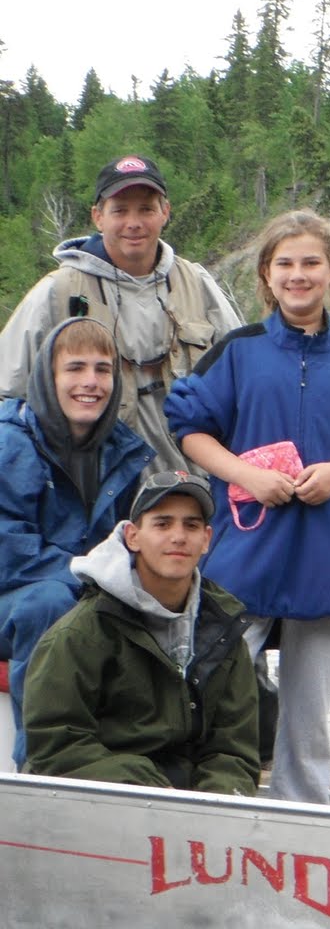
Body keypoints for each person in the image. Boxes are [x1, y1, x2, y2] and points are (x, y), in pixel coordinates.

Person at [165, 210, 330, 804]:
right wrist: (247, 476)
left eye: (312, 262)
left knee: (309, 719)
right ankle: (204, 802)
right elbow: (189, 427)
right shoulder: (238, 352)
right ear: (266, 274)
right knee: (210, 689)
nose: (298, 275)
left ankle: (304, 812)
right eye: (285, 263)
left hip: (328, 554)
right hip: (245, 550)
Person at [0, 154, 241, 474]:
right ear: (98, 217)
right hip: (96, 490)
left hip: (197, 487)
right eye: (120, 210)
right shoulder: (57, 292)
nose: (134, 222)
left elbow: (246, 378)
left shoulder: (197, 283)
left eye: (146, 209)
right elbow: (6, 395)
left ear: (165, 212)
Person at [23, 470, 259, 794]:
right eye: (162, 524)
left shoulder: (225, 630)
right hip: (104, 798)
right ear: (132, 536)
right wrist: (151, 793)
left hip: (194, 805)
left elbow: (234, 749)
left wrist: (211, 804)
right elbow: (55, 745)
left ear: (206, 539)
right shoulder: (80, 633)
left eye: (191, 525)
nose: (178, 536)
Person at [0, 318, 152, 763]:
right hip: (18, 601)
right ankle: (39, 765)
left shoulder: (124, 450)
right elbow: (7, 550)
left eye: (103, 369)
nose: (90, 382)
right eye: (75, 368)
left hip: (85, 593)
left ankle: (142, 765)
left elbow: (129, 538)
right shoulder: (10, 443)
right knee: (48, 603)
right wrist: (87, 578)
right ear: (48, 378)